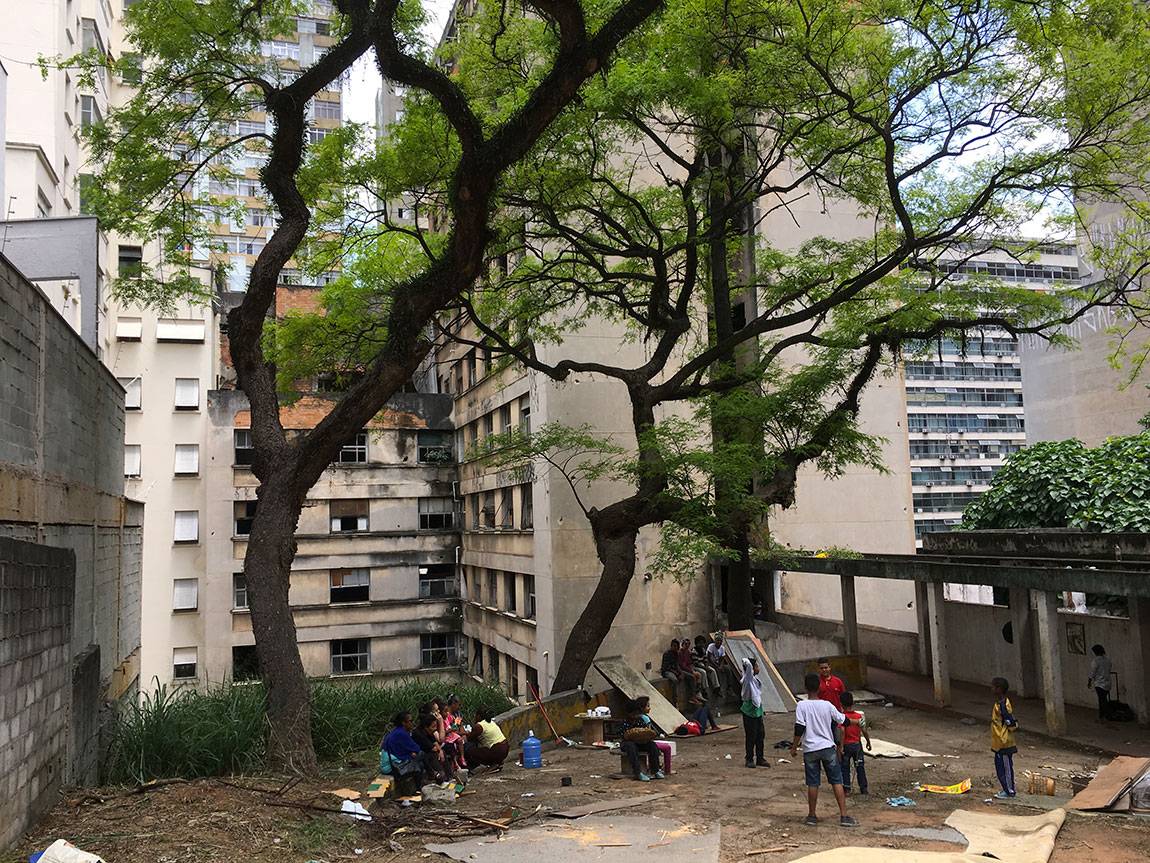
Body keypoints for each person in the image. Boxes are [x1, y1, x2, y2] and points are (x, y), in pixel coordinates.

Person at [791, 672, 857, 827]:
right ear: (819, 687)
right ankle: (844, 816)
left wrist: (794, 746)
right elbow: (844, 720)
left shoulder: (802, 705)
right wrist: (857, 721)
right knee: (836, 781)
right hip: (828, 747)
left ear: (806, 688)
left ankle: (812, 815)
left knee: (813, 783)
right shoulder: (827, 705)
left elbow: (799, 727)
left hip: (810, 749)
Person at [383, 711, 436, 784]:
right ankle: (432, 775)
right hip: (392, 766)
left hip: (390, 762)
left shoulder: (396, 731)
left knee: (419, 759)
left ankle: (431, 775)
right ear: (403, 723)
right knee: (422, 755)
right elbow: (416, 748)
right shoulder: (402, 733)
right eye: (410, 721)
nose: (412, 723)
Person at [620, 696, 665, 781]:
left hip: (641, 742)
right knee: (631, 747)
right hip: (628, 743)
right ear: (630, 713)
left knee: (652, 745)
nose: (636, 715)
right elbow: (624, 736)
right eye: (635, 713)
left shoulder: (641, 720)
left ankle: (655, 770)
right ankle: (638, 772)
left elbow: (646, 732)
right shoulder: (625, 722)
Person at [991, 677, 1018, 799]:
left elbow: (1011, 723)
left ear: (999, 689)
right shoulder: (998, 703)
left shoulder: (1003, 705)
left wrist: (1010, 728)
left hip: (1004, 742)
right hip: (998, 742)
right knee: (1000, 768)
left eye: (994, 686)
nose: (991, 689)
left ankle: (1009, 791)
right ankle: (1005, 789)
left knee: (1006, 768)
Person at [839, 691, 871, 795]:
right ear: (852, 703)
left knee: (845, 767)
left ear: (841, 704)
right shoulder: (858, 716)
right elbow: (864, 730)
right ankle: (863, 788)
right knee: (860, 766)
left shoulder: (842, 717)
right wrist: (868, 741)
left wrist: (841, 746)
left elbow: (842, 731)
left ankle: (847, 788)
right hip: (857, 744)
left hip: (847, 745)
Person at [740, 657, 769, 768]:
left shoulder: (755, 680)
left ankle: (760, 758)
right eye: (756, 666)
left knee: (760, 735)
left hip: (757, 712)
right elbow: (746, 664)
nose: (758, 668)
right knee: (751, 736)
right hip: (749, 712)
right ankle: (749, 758)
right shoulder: (748, 680)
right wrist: (748, 663)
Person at [412, 712, 450, 782]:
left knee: (442, 753)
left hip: (428, 751)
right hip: (420, 755)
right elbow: (433, 748)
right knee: (433, 755)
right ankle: (440, 776)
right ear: (426, 727)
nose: (435, 729)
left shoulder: (430, 732)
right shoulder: (419, 734)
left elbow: (435, 743)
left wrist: (440, 751)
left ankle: (448, 776)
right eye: (433, 726)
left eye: (436, 726)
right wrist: (438, 751)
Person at [442, 694, 469, 769]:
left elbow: (460, 726)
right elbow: (451, 730)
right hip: (450, 737)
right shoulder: (446, 716)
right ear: (453, 704)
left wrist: (464, 734)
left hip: (457, 735)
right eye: (458, 704)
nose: (459, 707)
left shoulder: (457, 714)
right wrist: (463, 733)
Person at [1088, 644, 1112, 722]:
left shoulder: (1095, 661)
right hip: (1107, 682)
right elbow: (1109, 669)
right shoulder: (1107, 660)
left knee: (1102, 700)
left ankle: (1103, 716)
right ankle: (1104, 716)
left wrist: (1089, 681)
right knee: (1104, 699)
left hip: (1099, 683)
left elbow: (1092, 672)